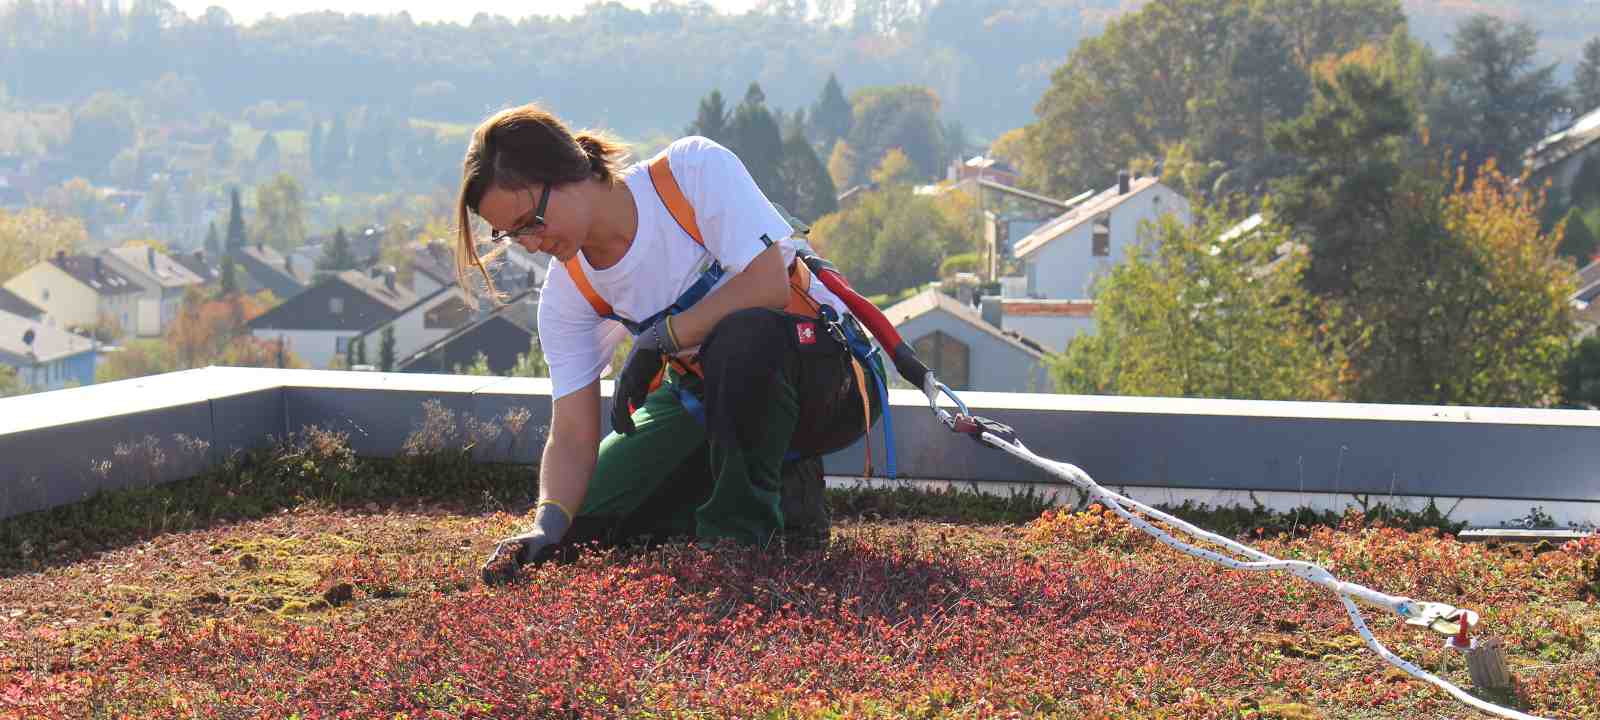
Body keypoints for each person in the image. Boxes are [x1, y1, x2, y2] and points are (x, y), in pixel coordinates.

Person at [454, 104, 880, 585]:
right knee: (583, 525)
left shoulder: (691, 172)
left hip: (829, 380)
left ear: (569, 170)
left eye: (531, 221)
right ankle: (772, 494)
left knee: (743, 337)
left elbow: (767, 285)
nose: (530, 243)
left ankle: (740, 544)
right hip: (708, 402)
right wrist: (545, 526)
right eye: (512, 235)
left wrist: (661, 338)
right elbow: (571, 434)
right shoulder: (567, 293)